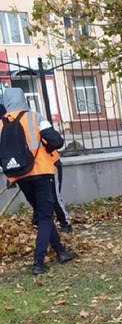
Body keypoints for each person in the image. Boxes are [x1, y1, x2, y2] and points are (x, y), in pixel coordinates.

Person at [0, 88, 75, 275]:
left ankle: (60, 251)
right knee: (45, 217)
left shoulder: (1, 124)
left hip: (20, 176)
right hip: (42, 172)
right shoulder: (34, 117)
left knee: (43, 215)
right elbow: (57, 141)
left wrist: (11, 172)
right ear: (23, 99)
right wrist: (45, 146)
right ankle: (38, 261)